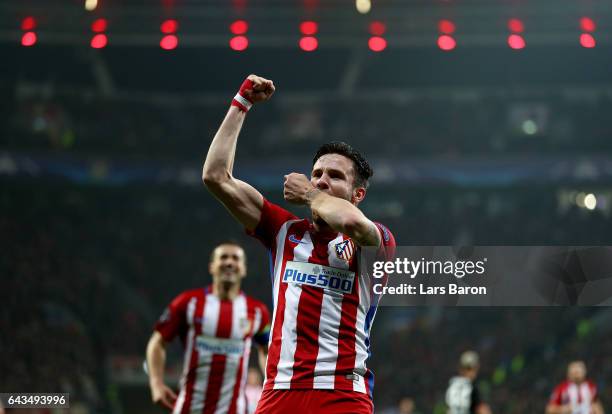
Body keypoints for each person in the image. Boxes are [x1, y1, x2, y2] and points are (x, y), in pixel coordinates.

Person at [202, 74, 396, 414]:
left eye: (335, 177)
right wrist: (241, 104)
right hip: (279, 392)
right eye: (317, 173)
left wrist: (308, 193)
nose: (321, 180)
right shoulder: (284, 231)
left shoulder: (377, 240)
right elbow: (216, 177)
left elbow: (350, 222)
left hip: (342, 394)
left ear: (358, 194)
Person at [146, 242, 270, 414]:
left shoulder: (257, 311)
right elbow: (157, 342)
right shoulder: (188, 303)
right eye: (223, 257)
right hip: (190, 408)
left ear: (243, 269)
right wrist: (156, 384)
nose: (229, 262)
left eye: (235, 258)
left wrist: (270, 383)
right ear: (212, 267)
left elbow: (266, 349)